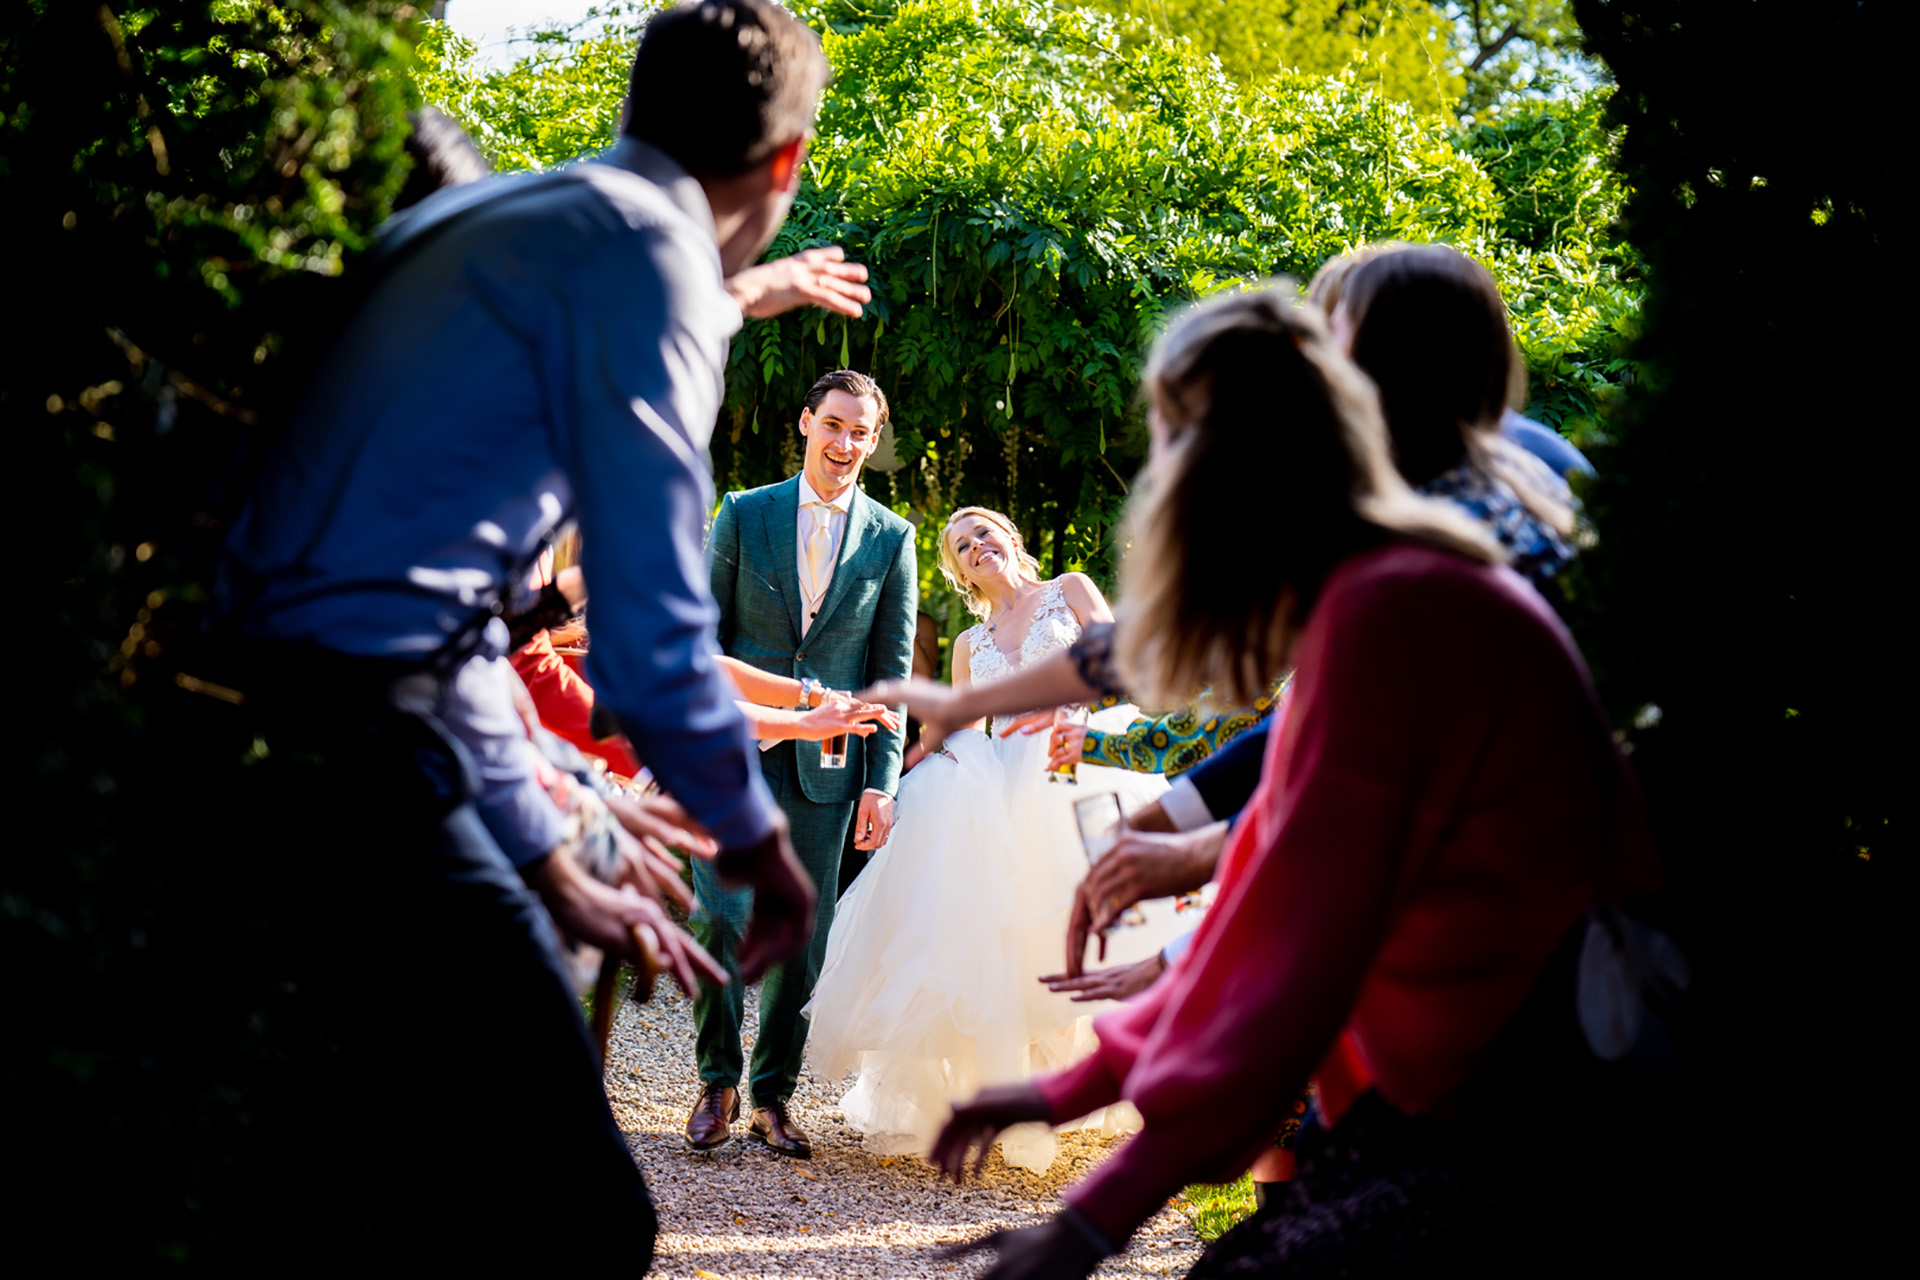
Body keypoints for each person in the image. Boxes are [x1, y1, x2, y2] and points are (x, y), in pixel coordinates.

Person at [213, 1, 861, 1264]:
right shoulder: (646, 261)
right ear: (785, 163)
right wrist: (759, 838)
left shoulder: (519, 217)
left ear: (635, 108)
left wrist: (547, 820)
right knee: (585, 1212)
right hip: (352, 727)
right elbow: (649, 633)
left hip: (270, 695)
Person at [907, 285, 1660, 1278]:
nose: (1158, 477)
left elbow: (1297, 965)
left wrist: (1090, 1222)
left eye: (1172, 438)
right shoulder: (1371, 593)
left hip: (1541, 1116)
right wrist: (1077, 1084)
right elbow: (1267, 893)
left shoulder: (1394, 606)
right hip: (1461, 1093)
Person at [804, 506, 1181, 1174]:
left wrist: (1068, 700)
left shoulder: (1069, 590)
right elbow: (951, 724)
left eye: (984, 533)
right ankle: (1023, 1097)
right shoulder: (967, 646)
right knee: (1005, 944)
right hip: (995, 786)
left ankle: (1093, 1079)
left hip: (1071, 764)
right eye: (961, 546)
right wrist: (904, 769)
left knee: (1086, 928)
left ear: (1012, 540)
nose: (977, 546)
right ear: (958, 572)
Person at [688, 368, 918, 1158]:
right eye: (835, 426)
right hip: (733, 752)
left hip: (830, 770)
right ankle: (714, 1081)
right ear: (805, 424)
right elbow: (704, 643)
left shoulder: (893, 538)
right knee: (717, 913)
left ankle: (770, 1097)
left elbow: (890, 672)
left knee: (803, 935)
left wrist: (881, 783)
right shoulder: (745, 514)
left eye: (862, 431)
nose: (847, 443)